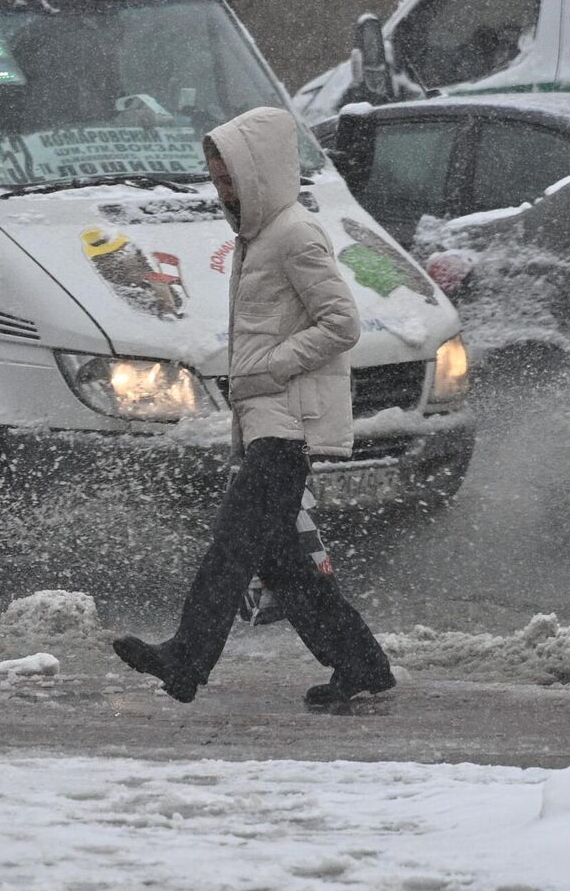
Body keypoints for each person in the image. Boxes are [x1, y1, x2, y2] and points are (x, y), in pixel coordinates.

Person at [112, 105, 396, 709]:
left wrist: (271, 369)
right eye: (216, 181)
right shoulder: (257, 237)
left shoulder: (295, 234)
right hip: (266, 419)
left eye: (230, 180)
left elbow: (341, 323)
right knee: (285, 566)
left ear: (260, 173)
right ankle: (362, 665)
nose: (223, 192)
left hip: (286, 424)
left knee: (231, 547)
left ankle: (185, 660)